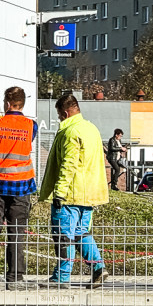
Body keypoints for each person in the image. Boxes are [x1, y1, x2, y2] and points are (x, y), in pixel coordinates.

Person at [38, 93, 110, 286]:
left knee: (64, 236)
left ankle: (62, 276)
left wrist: (59, 192)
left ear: (66, 113)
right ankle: (98, 267)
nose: (59, 119)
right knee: (81, 233)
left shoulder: (70, 132)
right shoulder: (91, 129)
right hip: (89, 195)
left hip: (70, 194)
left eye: (60, 115)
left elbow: (68, 165)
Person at [0, 86, 37, 290]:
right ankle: (15, 278)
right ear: (22, 104)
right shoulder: (31, 126)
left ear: (7, 103)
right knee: (17, 233)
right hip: (21, 187)